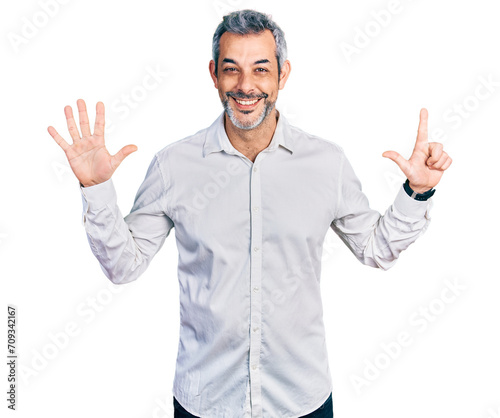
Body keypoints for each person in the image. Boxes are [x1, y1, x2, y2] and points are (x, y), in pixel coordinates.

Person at [47, 9, 452, 418]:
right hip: (206, 402)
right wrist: (95, 188)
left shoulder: (326, 164)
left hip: (301, 401)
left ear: (282, 74)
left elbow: (375, 249)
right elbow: (123, 266)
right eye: (231, 70)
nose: (245, 86)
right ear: (213, 74)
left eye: (261, 69)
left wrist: (417, 192)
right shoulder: (175, 166)